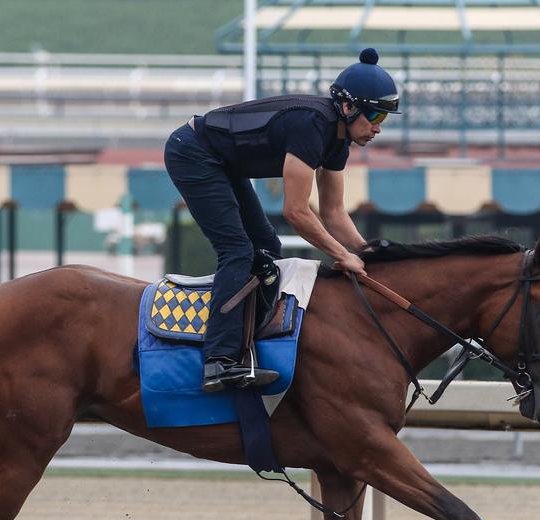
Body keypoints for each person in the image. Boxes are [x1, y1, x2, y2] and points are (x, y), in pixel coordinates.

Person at [163, 47, 400, 393]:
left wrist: (365, 252)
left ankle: (248, 346)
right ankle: (219, 362)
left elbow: (333, 212)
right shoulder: (312, 125)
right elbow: (297, 212)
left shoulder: (338, 142)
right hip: (192, 151)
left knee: (268, 247)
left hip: (222, 161)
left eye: (385, 120)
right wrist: (341, 255)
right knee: (238, 252)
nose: (378, 129)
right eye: (375, 118)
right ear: (348, 107)